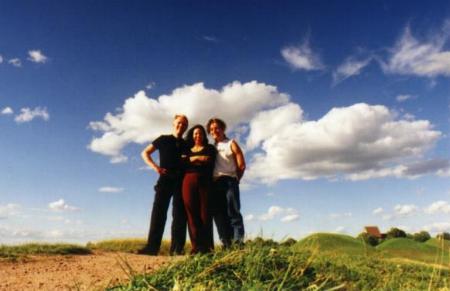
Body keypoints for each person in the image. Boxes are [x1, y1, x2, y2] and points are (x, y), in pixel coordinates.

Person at [139, 114, 189, 255]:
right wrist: (156, 167)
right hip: (165, 179)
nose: (181, 126)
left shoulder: (187, 144)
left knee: (179, 215)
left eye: (185, 124)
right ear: (174, 123)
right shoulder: (163, 139)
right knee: (159, 213)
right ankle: (152, 248)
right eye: (179, 123)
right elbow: (145, 153)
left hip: (181, 181)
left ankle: (177, 250)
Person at [207, 118, 246, 247]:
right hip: (215, 184)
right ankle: (226, 243)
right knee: (219, 216)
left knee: (233, 212)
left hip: (230, 181)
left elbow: (241, 165)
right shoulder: (211, 147)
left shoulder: (231, 143)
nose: (214, 131)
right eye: (211, 129)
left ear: (223, 129)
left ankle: (238, 244)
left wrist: (235, 179)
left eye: (217, 128)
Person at [182, 125, 216, 254]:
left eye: (200, 133)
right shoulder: (187, 149)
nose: (198, 136)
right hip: (188, 181)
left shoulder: (210, 148)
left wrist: (190, 160)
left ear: (204, 136)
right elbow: (182, 163)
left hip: (205, 182)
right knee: (191, 213)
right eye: (195, 133)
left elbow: (210, 161)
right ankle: (196, 247)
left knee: (205, 214)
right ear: (192, 135)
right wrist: (197, 158)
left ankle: (207, 248)